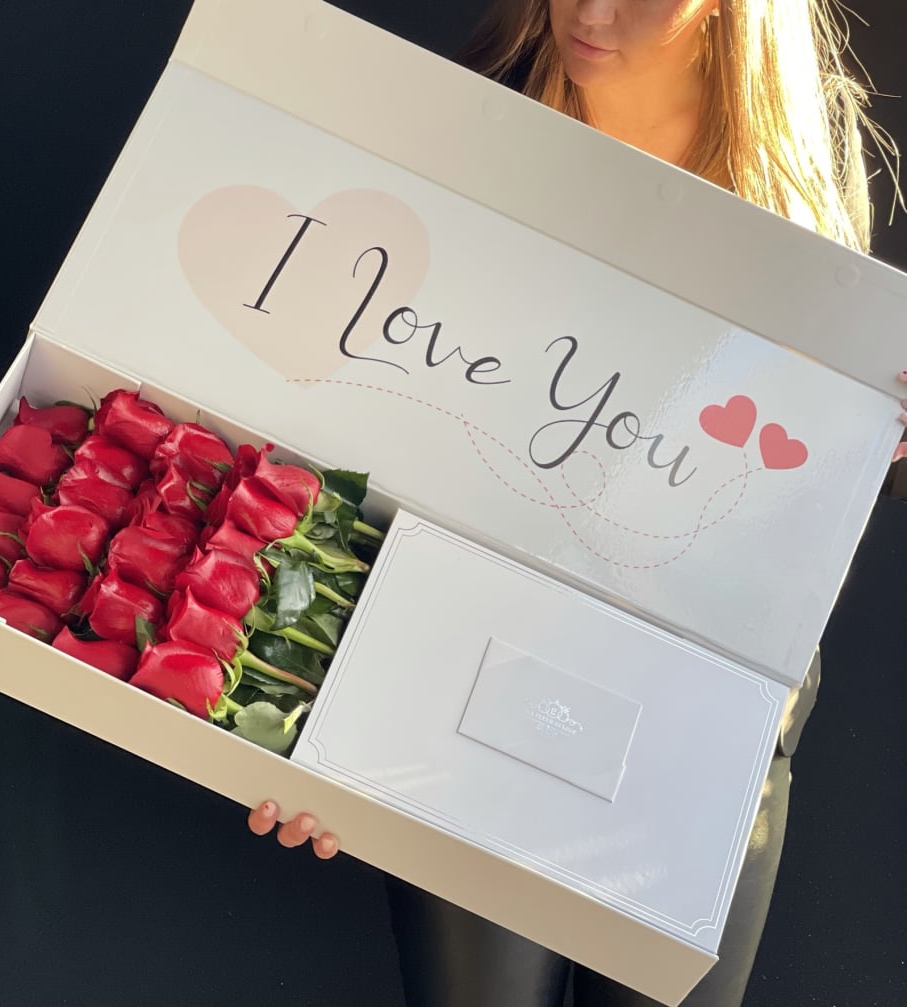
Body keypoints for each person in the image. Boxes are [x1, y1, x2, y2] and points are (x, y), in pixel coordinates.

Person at [247, 2, 907, 1004]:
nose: (588, 14)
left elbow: (800, 497)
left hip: (700, 717)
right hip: (464, 686)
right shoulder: (471, 129)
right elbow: (364, 433)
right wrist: (309, 715)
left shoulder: (797, 196)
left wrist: (884, 437)